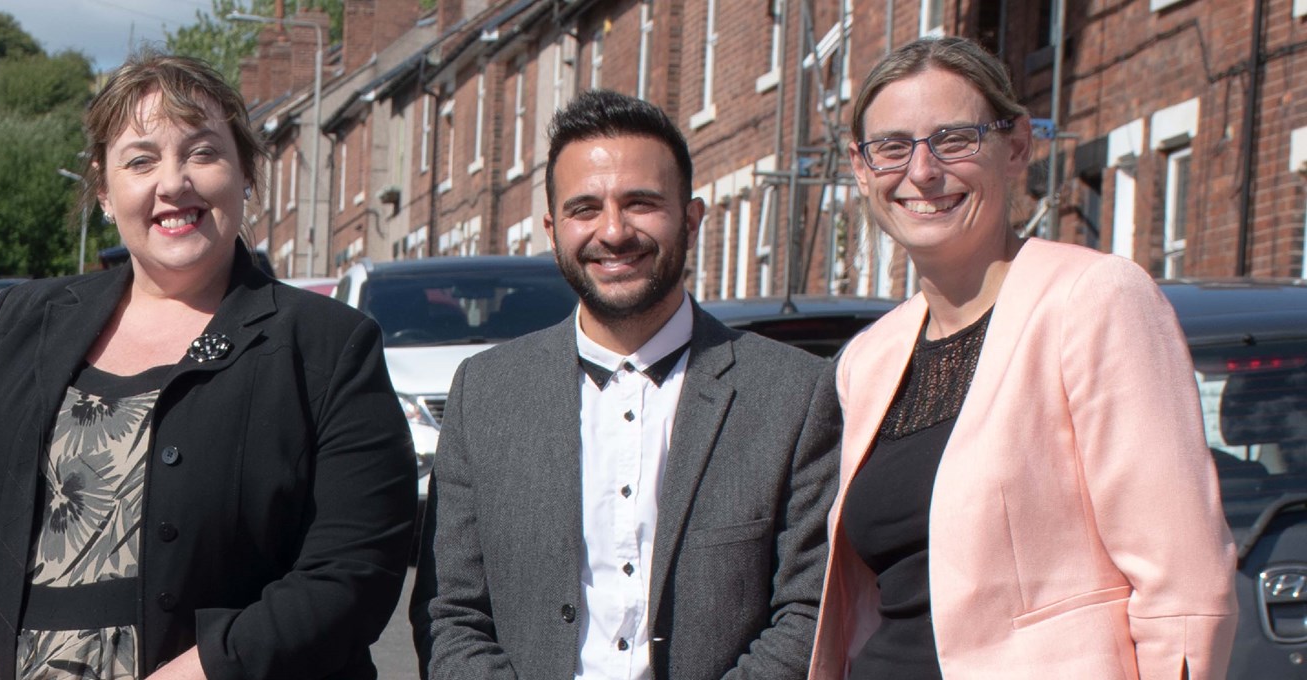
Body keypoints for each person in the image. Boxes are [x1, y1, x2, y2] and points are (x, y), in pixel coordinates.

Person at [0, 52, 416, 680]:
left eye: (203, 153)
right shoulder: (19, 323)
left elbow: (353, 570)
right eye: (141, 160)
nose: (173, 183)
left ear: (246, 175)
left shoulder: (327, 347)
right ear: (104, 189)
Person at [808, 36, 1235, 679]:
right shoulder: (867, 360)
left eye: (953, 139)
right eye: (892, 147)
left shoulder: (1092, 301)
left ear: (1013, 148)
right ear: (862, 168)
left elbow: (1185, 586)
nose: (922, 172)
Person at [415, 90, 841, 679]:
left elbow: (810, 612)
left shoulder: (795, 394)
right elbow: (450, 612)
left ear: (691, 219)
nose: (613, 231)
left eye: (640, 203)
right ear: (552, 228)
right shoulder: (484, 394)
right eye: (584, 208)